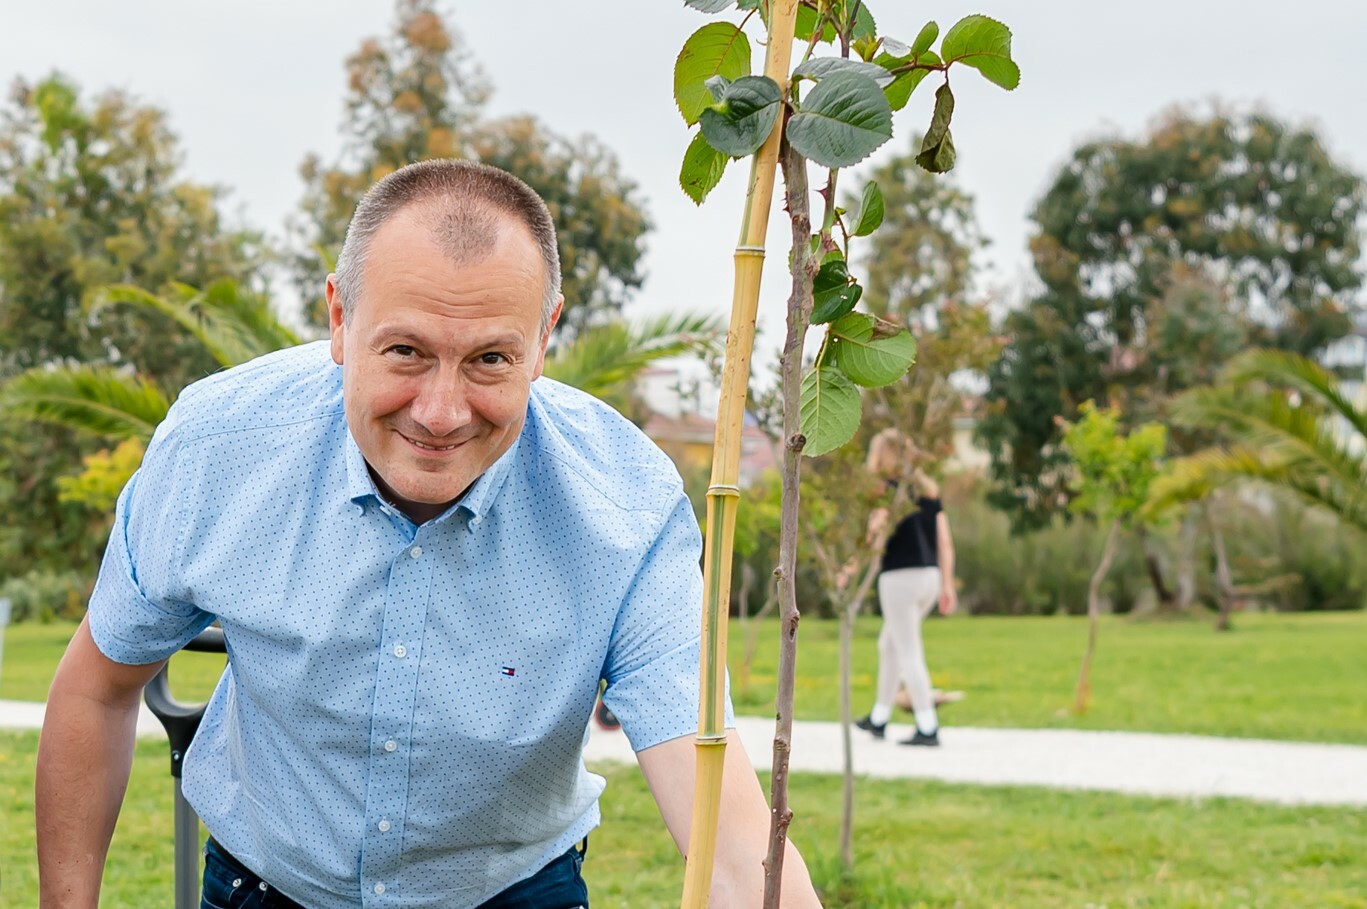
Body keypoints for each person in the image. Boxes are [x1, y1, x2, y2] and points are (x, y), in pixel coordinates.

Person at [36, 160, 821, 909]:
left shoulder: (628, 506)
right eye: (406, 351)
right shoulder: (217, 450)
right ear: (340, 318)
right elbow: (97, 690)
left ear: (543, 338)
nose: (441, 413)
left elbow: (725, 831)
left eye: (488, 359)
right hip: (264, 883)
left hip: (513, 886)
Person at [855, 429, 958, 747]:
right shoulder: (927, 491)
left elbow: (874, 537)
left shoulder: (886, 492)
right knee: (890, 644)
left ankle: (928, 727)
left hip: (899, 579)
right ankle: (879, 717)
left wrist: (849, 568)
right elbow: (945, 541)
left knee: (909, 652)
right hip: (929, 577)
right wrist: (948, 584)